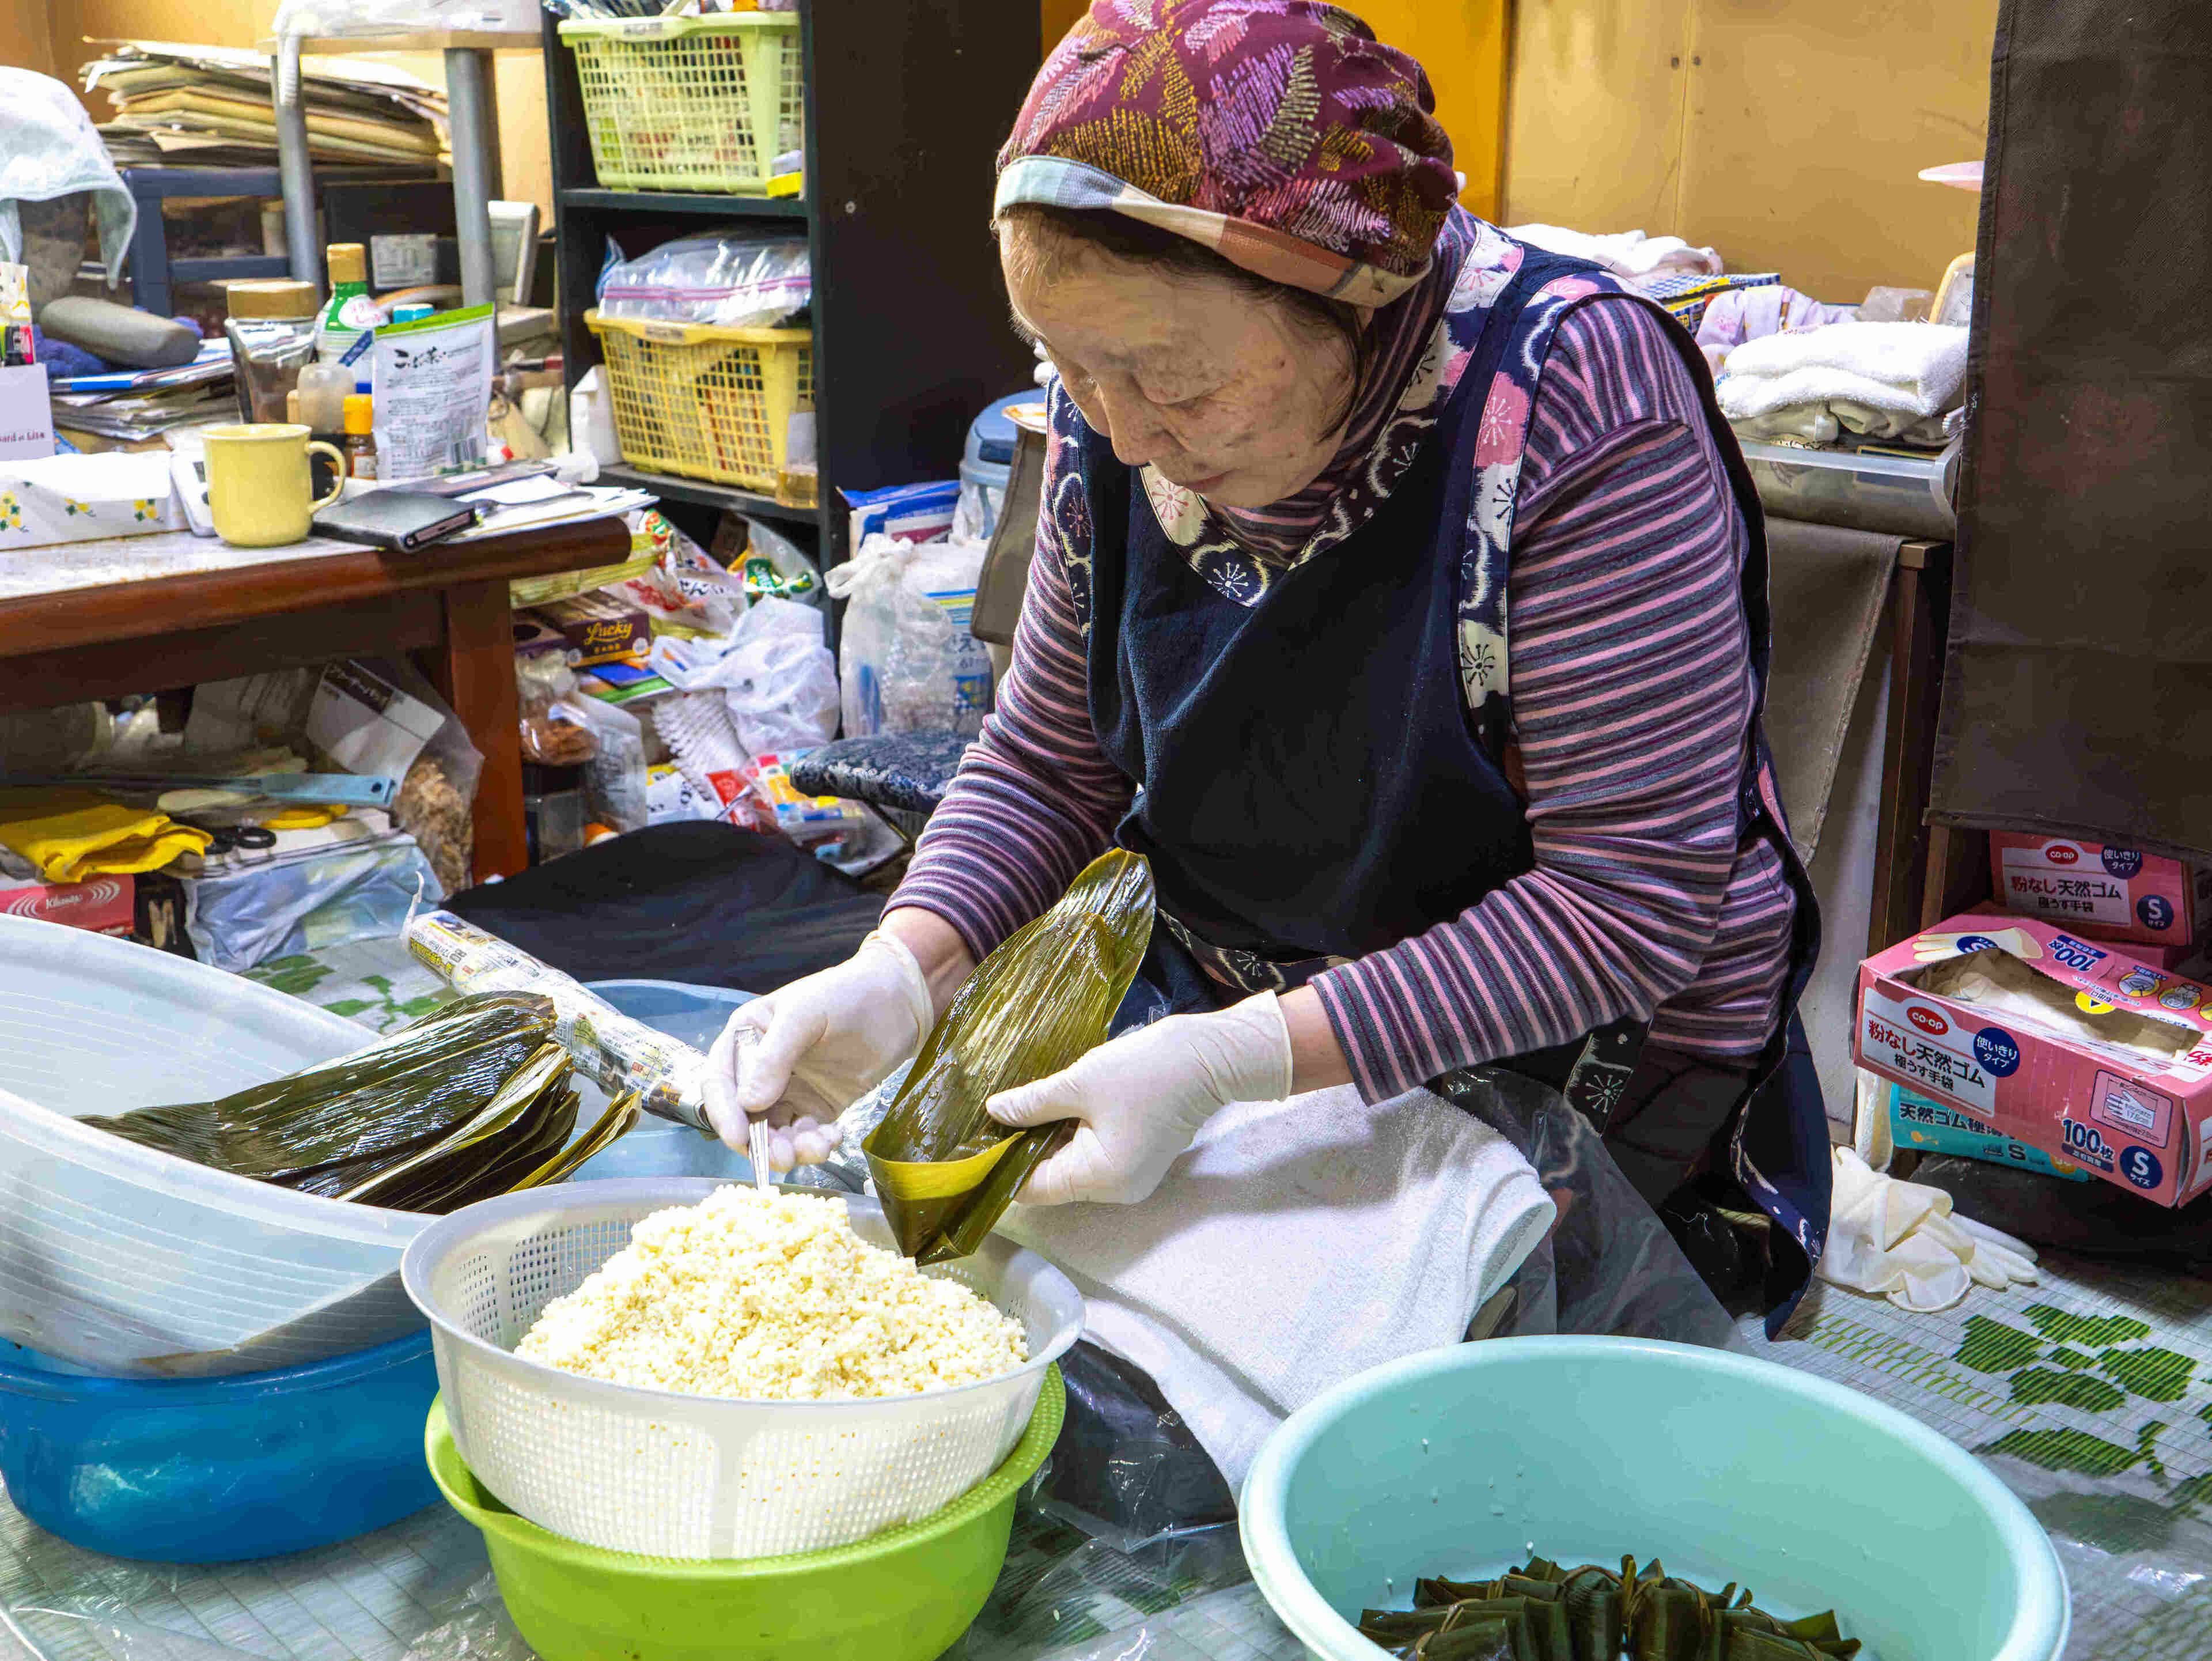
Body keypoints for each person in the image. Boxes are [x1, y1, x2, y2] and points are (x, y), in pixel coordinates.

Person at [707, 0, 1832, 1330]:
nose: (1122, 435)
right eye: (1069, 368)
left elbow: (1623, 902)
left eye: (1174, 381)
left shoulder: (1576, 402)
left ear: (1353, 302)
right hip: (1254, 1023)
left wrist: (1241, 1062)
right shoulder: (1113, 409)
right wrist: (904, 966)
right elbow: (1050, 757)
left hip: (1582, 1062)